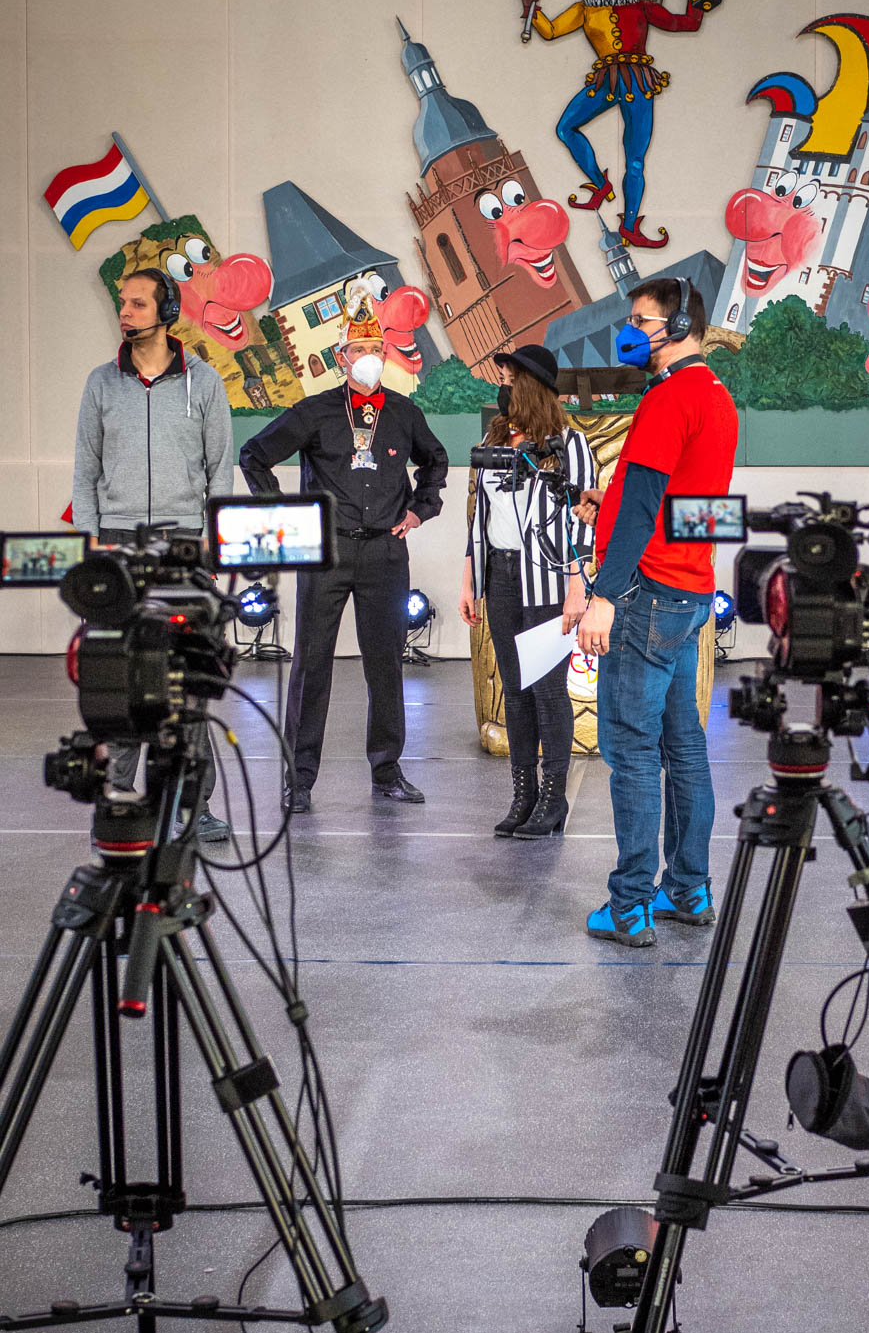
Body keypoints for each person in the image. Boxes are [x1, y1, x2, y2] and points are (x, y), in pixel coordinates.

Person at [239, 284, 448, 813]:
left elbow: (436, 461)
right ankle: (299, 779)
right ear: (342, 357)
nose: (370, 357)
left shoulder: (403, 412)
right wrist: (286, 516)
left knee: (386, 664)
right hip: (326, 552)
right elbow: (254, 455)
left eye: (377, 349)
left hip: (385, 552)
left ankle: (387, 770)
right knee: (311, 665)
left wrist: (420, 509)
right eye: (360, 350)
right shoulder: (314, 412)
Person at [575, 278, 739, 945]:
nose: (630, 332)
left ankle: (630, 904)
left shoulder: (668, 397)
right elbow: (695, 505)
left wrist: (602, 597)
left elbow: (644, 508)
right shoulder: (716, 395)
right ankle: (689, 889)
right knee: (684, 747)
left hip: (645, 598)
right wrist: (607, 505)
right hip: (690, 593)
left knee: (633, 751)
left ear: (677, 326)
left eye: (642, 321)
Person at [71, 267, 235, 841]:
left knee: (185, 678)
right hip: (116, 545)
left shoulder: (204, 383)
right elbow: (85, 472)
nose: (125, 311)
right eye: (123, 302)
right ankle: (120, 798)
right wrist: (90, 543)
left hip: (184, 546)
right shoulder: (100, 383)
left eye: (138, 303)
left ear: (166, 312)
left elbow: (220, 470)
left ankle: (193, 805)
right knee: (119, 675)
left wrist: (211, 543)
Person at [460, 345, 595, 838]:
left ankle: (554, 799)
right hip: (500, 575)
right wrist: (468, 579)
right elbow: (480, 515)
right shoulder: (494, 439)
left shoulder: (569, 445)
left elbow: (584, 521)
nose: (503, 386)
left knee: (547, 690)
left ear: (533, 386)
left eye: (510, 378)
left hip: (548, 578)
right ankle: (524, 795)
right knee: (514, 691)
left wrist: (577, 585)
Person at [521, 0, 705, 249]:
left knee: (635, 159)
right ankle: (600, 184)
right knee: (565, 128)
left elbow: (685, 23)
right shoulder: (585, 9)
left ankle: (630, 225)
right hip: (606, 81)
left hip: (638, 82)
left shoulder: (641, 4)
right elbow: (550, 30)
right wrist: (529, 7)